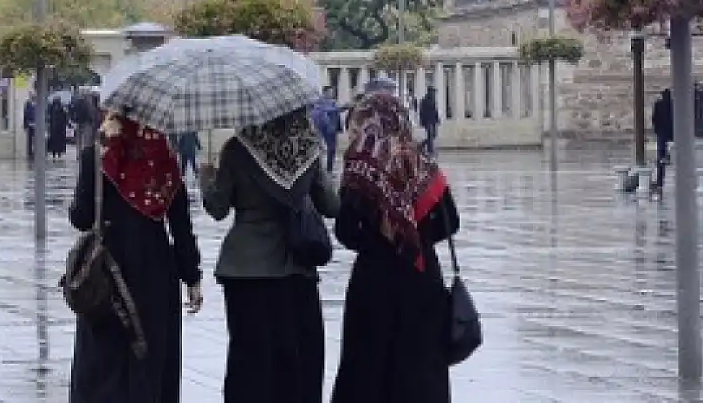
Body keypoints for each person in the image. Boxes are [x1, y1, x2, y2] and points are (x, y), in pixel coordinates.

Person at [330, 89, 460, 403]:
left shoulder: (360, 169)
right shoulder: (425, 166)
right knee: (420, 364)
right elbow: (451, 222)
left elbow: (345, 230)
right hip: (422, 278)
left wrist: (379, 242)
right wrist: (417, 239)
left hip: (375, 280)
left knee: (369, 365)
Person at [200, 110, 338, 403]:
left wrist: (207, 178)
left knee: (249, 359)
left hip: (245, 267)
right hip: (295, 266)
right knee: (296, 358)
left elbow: (218, 208)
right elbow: (330, 205)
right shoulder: (307, 146)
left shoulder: (238, 148)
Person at [69, 112, 203, 403]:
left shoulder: (98, 154)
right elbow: (181, 226)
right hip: (154, 273)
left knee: (104, 361)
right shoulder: (164, 158)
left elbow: (81, 218)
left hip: (105, 273)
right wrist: (192, 277)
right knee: (149, 357)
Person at [311, 89, 343, 172]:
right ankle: (320, 168)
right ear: (325, 92)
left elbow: (337, 111)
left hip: (332, 129)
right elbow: (326, 110)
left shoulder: (333, 102)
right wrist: (340, 108)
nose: (331, 93)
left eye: (332, 92)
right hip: (324, 128)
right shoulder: (319, 102)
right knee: (321, 148)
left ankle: (329, 168)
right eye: (330, 92)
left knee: (332, 149)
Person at [651, 89, 673, 193]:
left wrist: (656, 130)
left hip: (662, 133)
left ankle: (660, 181)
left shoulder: (658, 105)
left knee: (660, 157)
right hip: (674, 133)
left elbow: (654, 119)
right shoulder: (674, 105)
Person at [417, 85, 440, 156]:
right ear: (430, 92)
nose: (434, 93)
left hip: (433, 121)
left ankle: (422, 144)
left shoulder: (433, 100)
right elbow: (421, 112)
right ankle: (430, 151)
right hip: (428, 121)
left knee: (434, 135)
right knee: (430, 135)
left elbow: (435, 110)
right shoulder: (424, 100)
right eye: (433, 92)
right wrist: (422, 121)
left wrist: (437, 119)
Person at [47, 94, 70, 161]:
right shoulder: (61, 107)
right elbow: (65, 117)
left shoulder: (52, 107)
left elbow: (49, 117)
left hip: (55, 128)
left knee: (55, 141)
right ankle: (58, 153)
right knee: (58, 141)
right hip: (59, 128)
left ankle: (55, 153)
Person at [23, 94, 38, 165]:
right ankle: (30, 153)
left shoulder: (38, 104)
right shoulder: (28, 104)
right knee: (29, 140)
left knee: (36, 140)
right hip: (30, 124)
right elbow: (25, 114)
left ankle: (35, 152)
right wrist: (26, 124)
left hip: (36, 125)